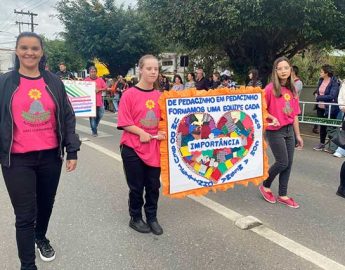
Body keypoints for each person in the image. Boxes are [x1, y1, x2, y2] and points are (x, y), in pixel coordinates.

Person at [0, 32, 80, 270]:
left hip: (49, 157)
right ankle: (27, 265)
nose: (29, 52)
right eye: (24, 47)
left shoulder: (54, 81)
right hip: (17, 160)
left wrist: (72, 150)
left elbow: (67, 115)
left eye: (35, 48)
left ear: (42, 52)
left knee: (46, 204)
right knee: (25, 215)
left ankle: (40, 237)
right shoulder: (4, 82)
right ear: (16, 51)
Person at [117, 55, 166, 235]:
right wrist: (141, 132)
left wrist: (162, 132)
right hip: (132, 148)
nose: (153, 72)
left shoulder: (161, 97)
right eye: (149, 68)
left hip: (154, 149)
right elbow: (124, 121)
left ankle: (152, 217)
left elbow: (164, 121)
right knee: (136, 187)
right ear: (140, 70)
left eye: (156, 69)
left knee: (153, 186)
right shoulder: (129, 94)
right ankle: (135, 217)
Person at [259, 56, 303, 209]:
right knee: (282, 162)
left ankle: (283, 195)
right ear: (275, 71)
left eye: (286, 68)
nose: (283, 71)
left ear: (290, 70)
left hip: (289, 130)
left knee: (289, 164)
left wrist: (298, 135)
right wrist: (271, 117)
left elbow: (295, 114)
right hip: (274, 131)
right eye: (280, 68)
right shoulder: (270, 89)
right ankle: (265, 185)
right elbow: (260, 108)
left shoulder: (293, 89)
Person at [313, 64, 340, 152]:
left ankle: (332, 146)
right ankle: (321, 143)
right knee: (322, 126)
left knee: (330, 127)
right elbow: (318, 91)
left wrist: (318, 97)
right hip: (320, 107)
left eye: (321, 72)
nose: (320, 73)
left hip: (329, 108)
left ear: (326, 73)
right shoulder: (320, 80)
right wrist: (316, 94)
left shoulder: (334, 82)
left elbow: (332, 96)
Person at [84, 66, 108, 136]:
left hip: (99, 102)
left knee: (100, 115)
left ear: (96, 72)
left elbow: (106, 87)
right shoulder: (86, 80)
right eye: (91, 72)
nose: (93, 73)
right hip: (90, 103)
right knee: (92, 117)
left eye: (94, 71)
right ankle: (94, 131)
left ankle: (95, 126)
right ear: (89, 72)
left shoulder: (100, 79)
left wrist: (99, 89)